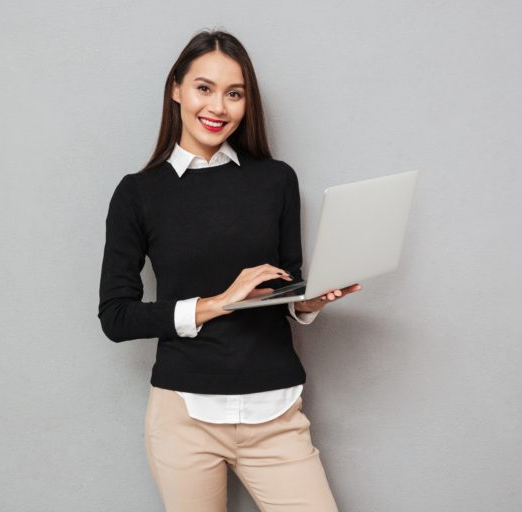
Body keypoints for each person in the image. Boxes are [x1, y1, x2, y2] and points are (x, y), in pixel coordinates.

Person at [98, 28, 362, 512]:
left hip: (276, 412)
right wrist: (217, 304)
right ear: (176, 89)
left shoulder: (276, 180)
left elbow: (283, 287)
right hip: (184, 418)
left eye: (234, 93)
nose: (218, 107)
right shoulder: (138, 194)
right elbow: (116, 317)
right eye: (204, 88)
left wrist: (308, 301)